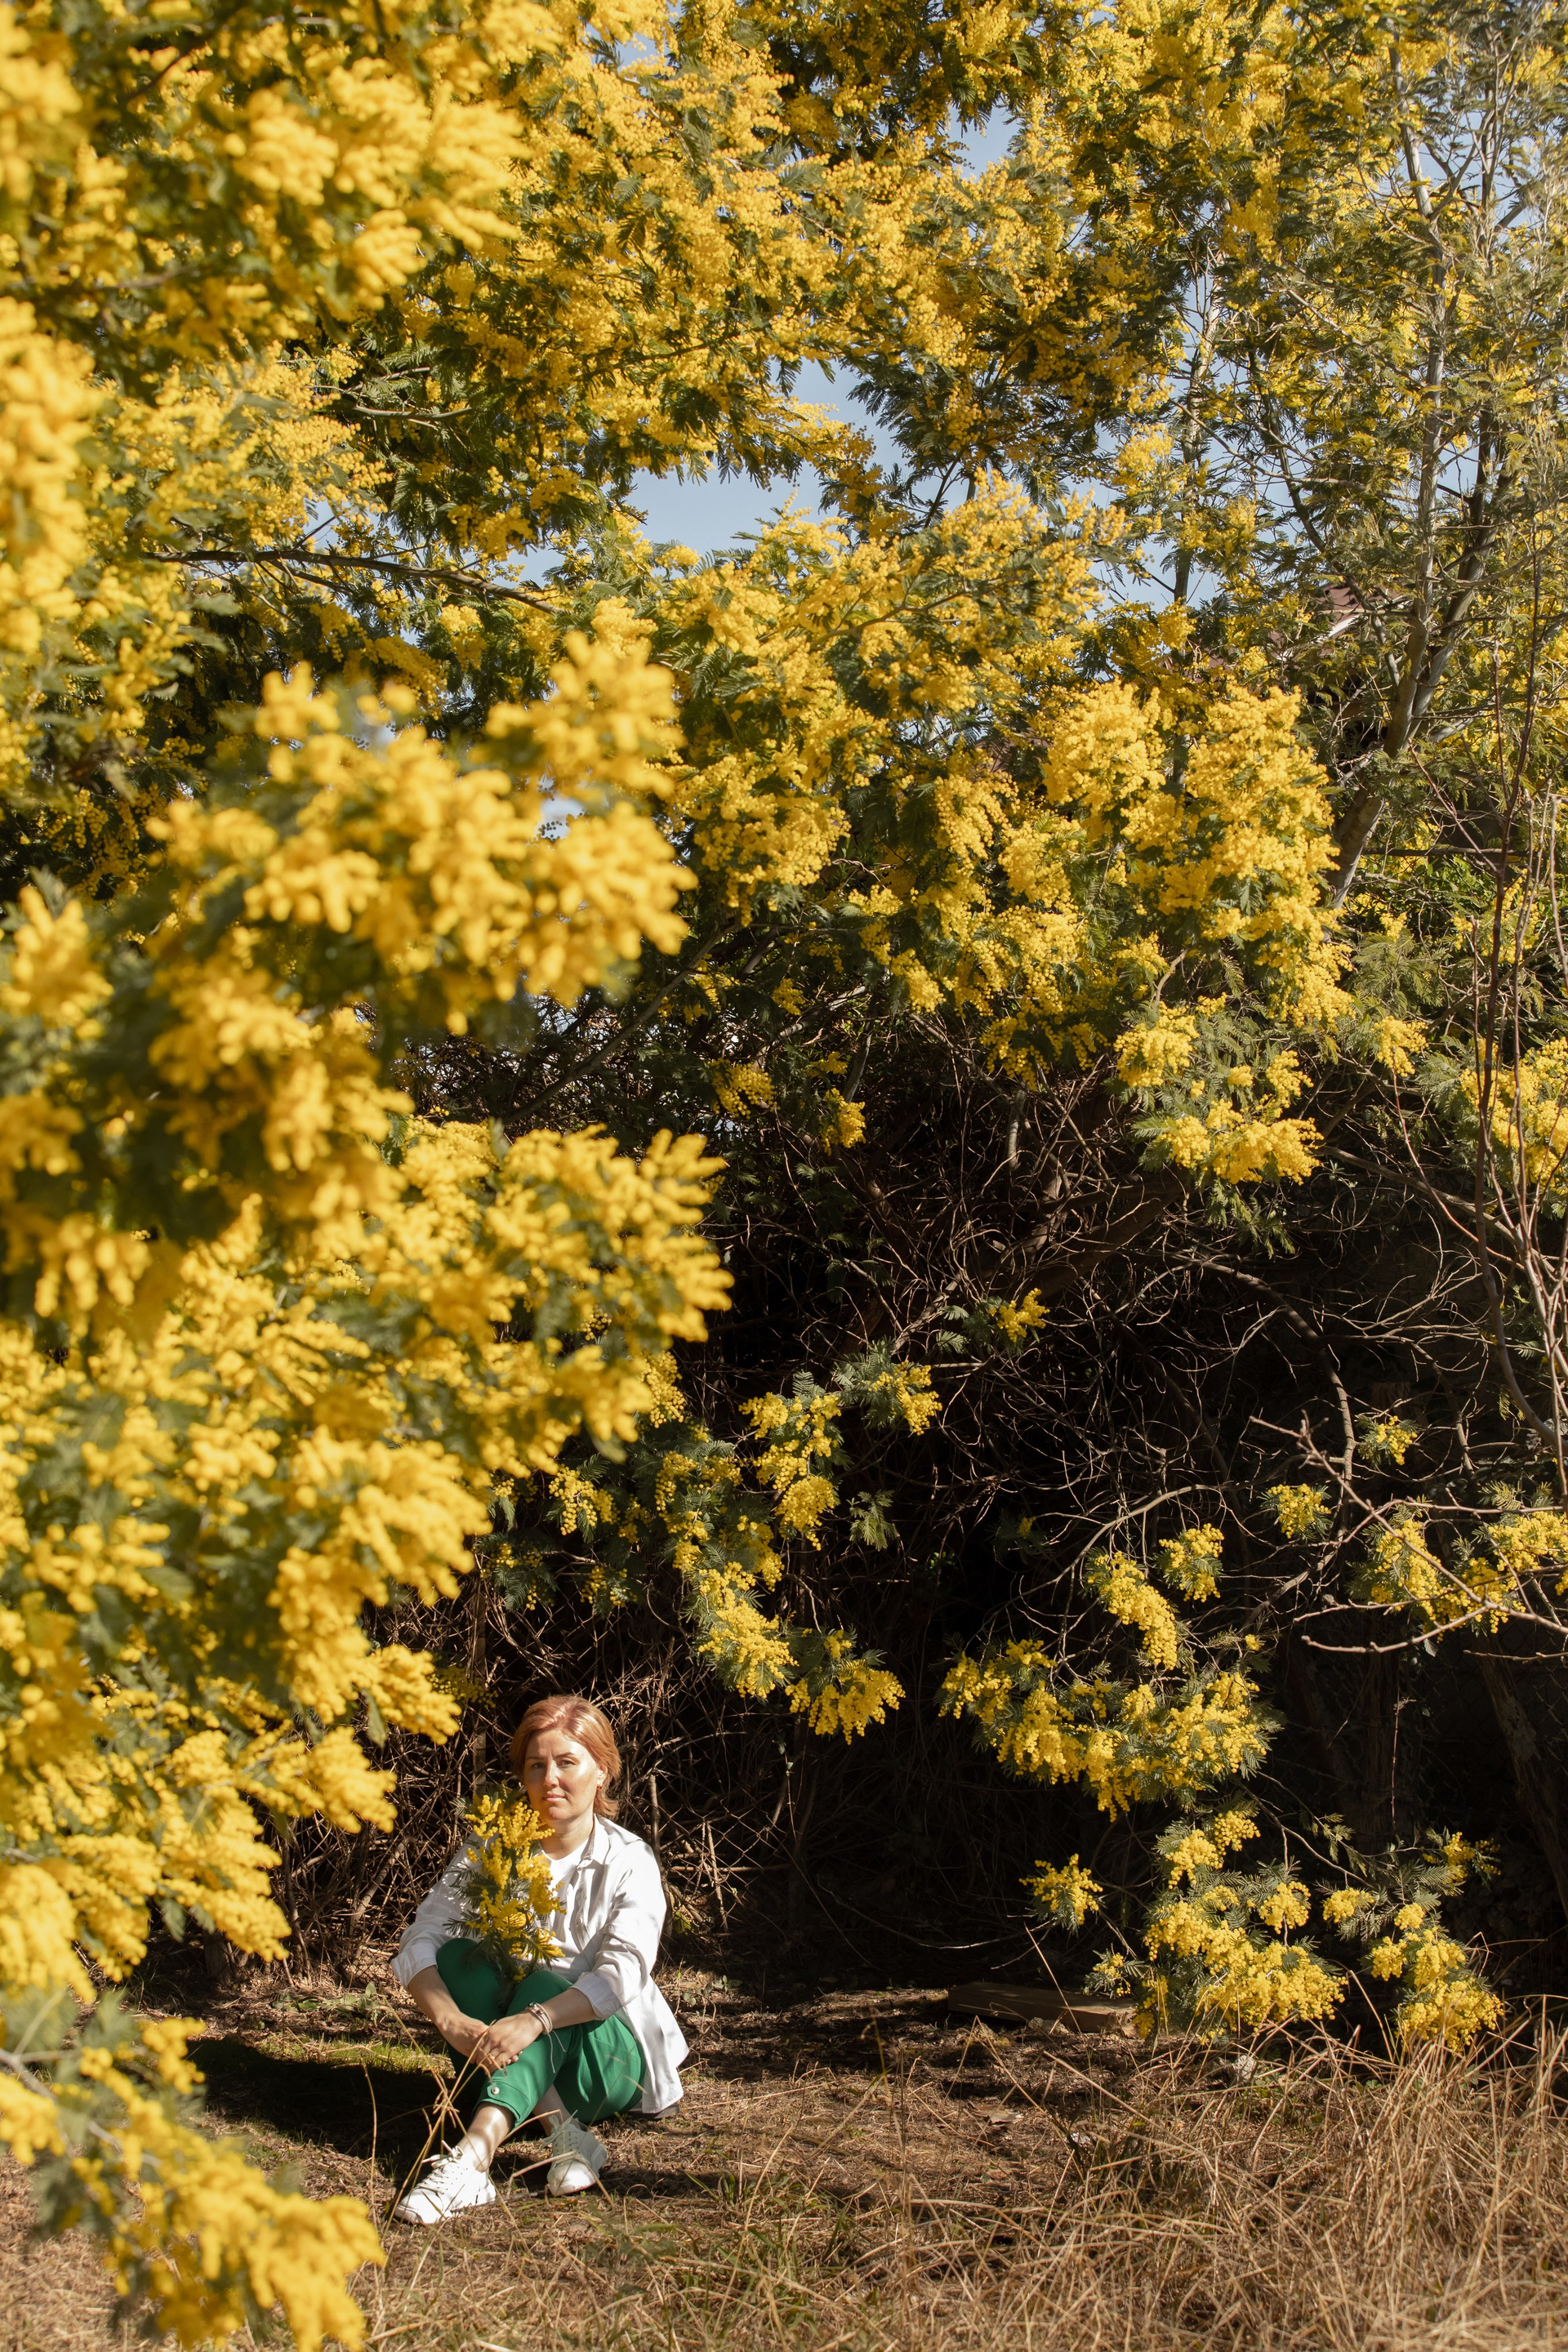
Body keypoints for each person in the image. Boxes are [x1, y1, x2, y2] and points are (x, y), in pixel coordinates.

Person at [390, 1692, 688, 2222]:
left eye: (567, 1762)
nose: (550, 1778)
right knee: (459, 1958)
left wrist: (537, 2019)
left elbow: (621, 1975)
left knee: (546, 1983)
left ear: (602, 1772)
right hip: (502, 2052)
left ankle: (471, 2159)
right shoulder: (492, 1848)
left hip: (606, 2060)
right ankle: (565, 2133)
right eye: (536, 1765)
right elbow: (421, 1938)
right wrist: (451, 2020)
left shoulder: (629, 1860)